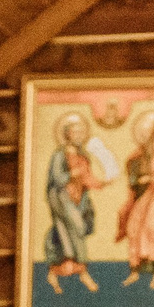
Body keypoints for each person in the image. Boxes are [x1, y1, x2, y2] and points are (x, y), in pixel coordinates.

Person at [43, 113, 106, 296]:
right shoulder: (59, 155)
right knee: (76, 228)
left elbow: (87, 177)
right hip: (61, 197)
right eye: (75, 132)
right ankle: (83, 272)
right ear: (67, 134)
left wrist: (101, 183)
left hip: (79, 198)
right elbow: (57, 178)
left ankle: (55, 273)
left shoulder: (82, 155)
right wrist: (72, 174)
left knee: (67, 231)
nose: (79, 136)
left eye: (81, 132)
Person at [117, 110, 154, 291]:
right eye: (142, 133)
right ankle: (136, 269)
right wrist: (135, 177)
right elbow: (133, 175)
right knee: (134, 228)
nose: (144, 136)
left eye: (148, 132)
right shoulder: (138, 154)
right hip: (142, 195)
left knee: (153, 227)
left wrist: (149, 178)